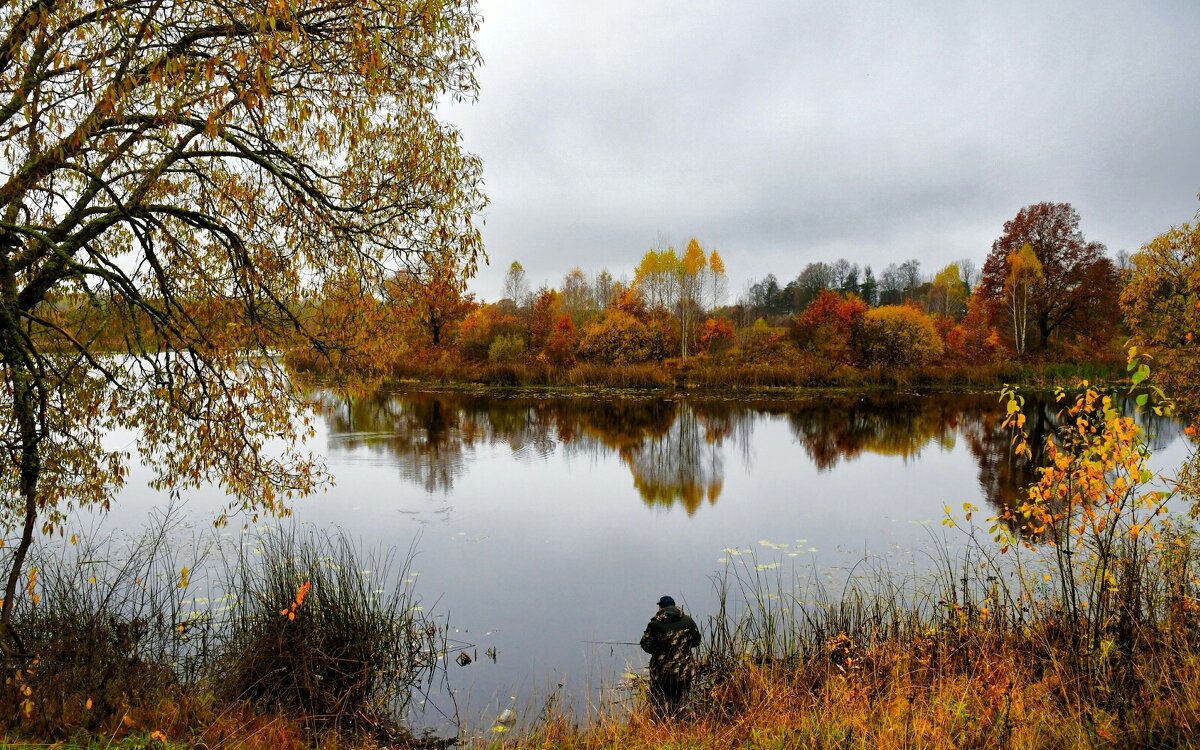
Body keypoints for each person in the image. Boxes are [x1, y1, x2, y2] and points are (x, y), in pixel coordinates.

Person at [639, 595, 701, 713]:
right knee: (681, 701)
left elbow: (645, 645)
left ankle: (662, 721)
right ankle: (680, 719)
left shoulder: (654, 625)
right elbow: (696, 641)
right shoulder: (689, 621)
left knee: (660, 702)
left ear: (661, 608)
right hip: (684, 671)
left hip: (661, 673)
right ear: (674, 606)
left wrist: (658, 652)